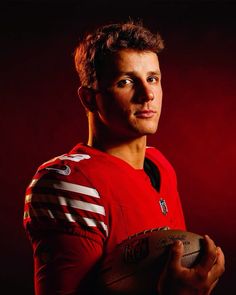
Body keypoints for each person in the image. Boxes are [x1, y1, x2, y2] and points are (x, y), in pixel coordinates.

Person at [23, 21, 225, 295]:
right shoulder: (70, 184)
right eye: (126, 82)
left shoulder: (160, 165)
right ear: (89, 99)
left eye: (152, 78)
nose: (148, 94)